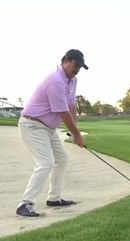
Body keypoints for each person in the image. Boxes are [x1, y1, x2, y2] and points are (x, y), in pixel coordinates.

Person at [16, 49, 88, 217]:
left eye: (80, 67)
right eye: (76, 65)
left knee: (62, 159)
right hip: (32, 125)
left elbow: (71, 105)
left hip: (48, 128)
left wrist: (74, 131)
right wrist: (77, 135)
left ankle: (54, 198)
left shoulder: (72, 80)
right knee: (45, 163)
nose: (77, 69)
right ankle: (25, 204)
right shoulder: (55, 80)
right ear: (66, 60)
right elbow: (63, 112)